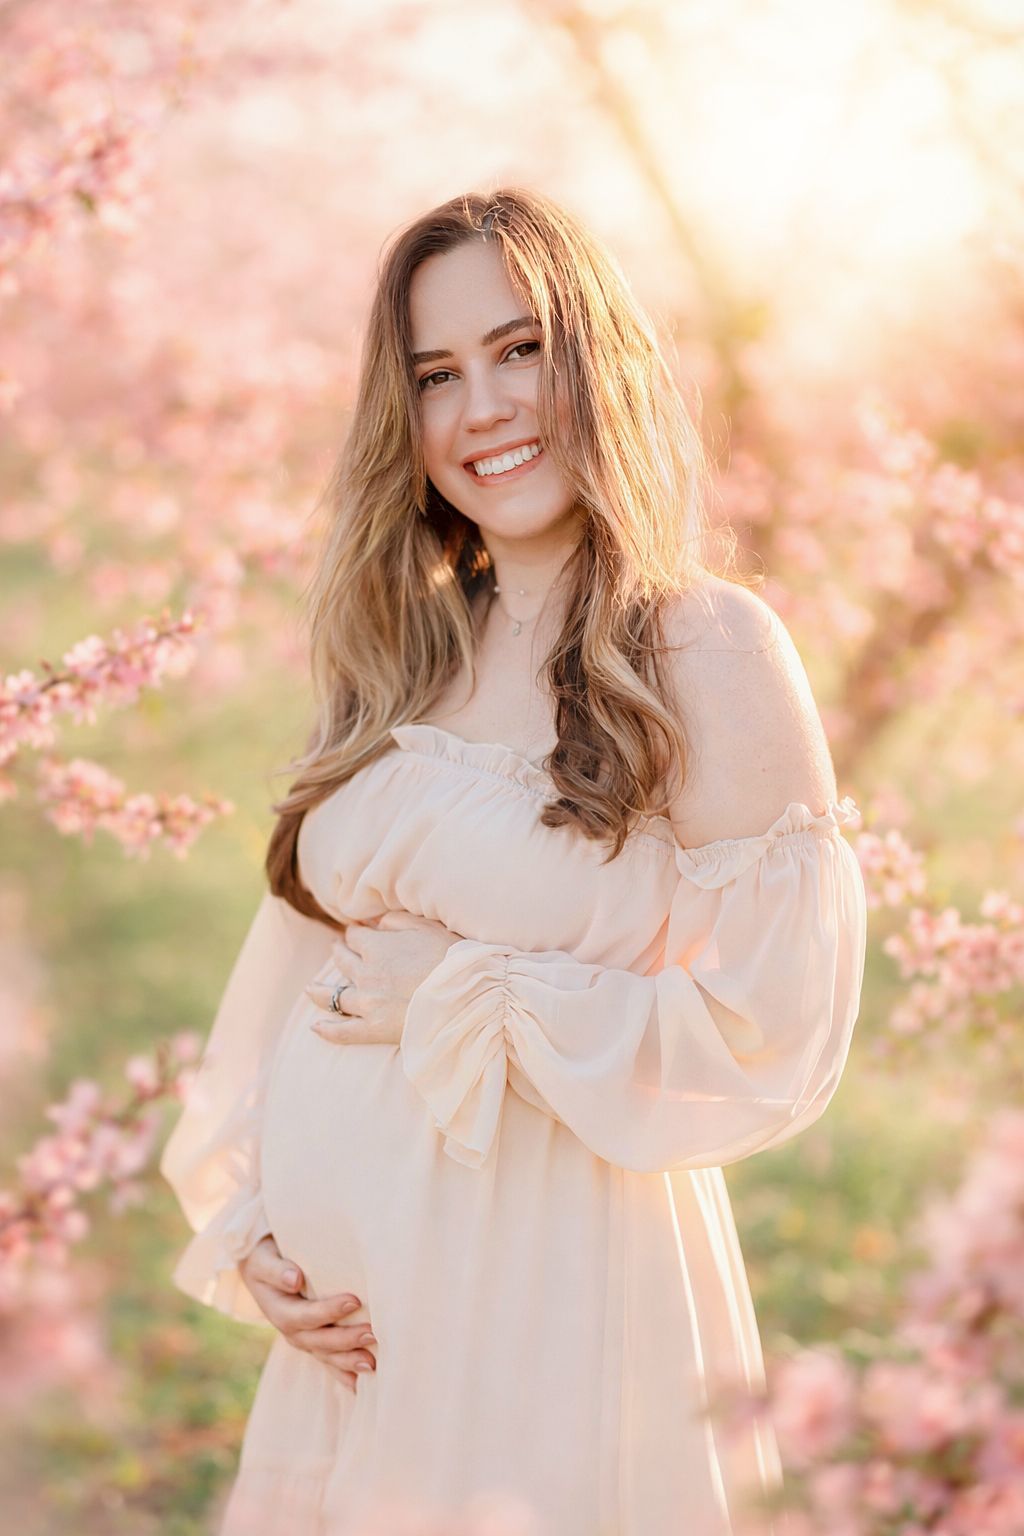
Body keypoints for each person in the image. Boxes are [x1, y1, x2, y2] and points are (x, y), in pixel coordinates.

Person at [160, 187, 868, 1536]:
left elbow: (775, 1034)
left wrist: (474, 995)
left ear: (597, 359)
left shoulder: (704, 647)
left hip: (552, 1303)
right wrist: (252, 1220)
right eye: (436, 374)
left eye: (520, 349)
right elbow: (301, 965)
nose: (482, 407)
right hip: (353, 1352)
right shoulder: (407, 654)